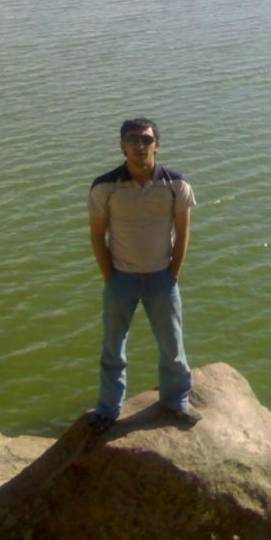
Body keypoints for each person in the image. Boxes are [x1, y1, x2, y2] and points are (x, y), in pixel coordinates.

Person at [87, 117, 201, 433]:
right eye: (133, 140)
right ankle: (108, 409)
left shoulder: (176, 185)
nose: (140, 146)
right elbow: (97, 236)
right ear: (122, 146)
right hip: (121, 278)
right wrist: (111, 277)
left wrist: (172, 274)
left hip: (161, 278)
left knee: (173, 348)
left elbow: (183, 234)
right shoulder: (105, 186)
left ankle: (176, 401)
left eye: (147, 140)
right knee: (113, 349)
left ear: (157, 145)